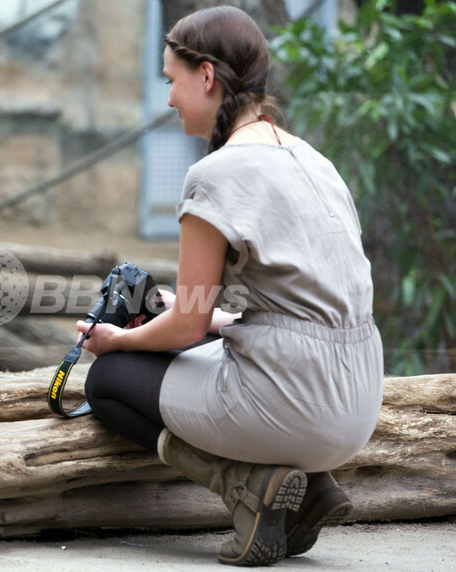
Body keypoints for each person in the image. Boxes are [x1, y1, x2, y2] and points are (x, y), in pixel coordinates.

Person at [75, 5, 384, 567]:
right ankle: (313, 487)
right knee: (183, 337)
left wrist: (115, 341)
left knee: (111, 381)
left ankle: (246, 485)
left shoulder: (215, 175)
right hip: (359, 401)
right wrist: (186, 314)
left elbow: (187, 325)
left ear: (208, 76)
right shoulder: (315, 161)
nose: (168, 97)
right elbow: (287, 308)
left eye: (172, 79)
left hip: (294, 403)